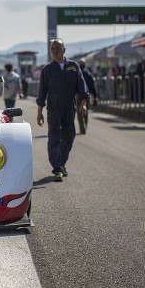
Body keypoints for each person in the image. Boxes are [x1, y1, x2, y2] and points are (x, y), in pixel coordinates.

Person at [36, 38, 88, 182]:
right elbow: (42, 93)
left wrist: (83, 103)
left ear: (64, 50)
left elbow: (82, 87)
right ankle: (57, 168)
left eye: (58, 48)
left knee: (69, 136)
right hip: (54, 107)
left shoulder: (73, 66)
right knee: (54, 137)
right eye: (52, 48)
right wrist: (39, 113)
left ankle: (61, 163)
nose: (55, 51)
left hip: (69, 107)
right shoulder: (47, 70)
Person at [76, 58, 98, 135]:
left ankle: (82, 128)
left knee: (79, 112)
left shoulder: (77, 74)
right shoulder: (89, 74)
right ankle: (85, 127)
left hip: (79, 95)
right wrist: (95, 96)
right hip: (87, 95)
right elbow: (93, 87)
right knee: (85, 112)